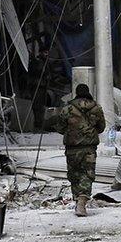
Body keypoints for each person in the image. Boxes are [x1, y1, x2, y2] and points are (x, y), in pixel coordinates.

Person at [47, 84, 106, 216]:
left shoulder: (67, 109)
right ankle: (82, 201)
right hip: (89, 148)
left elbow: (60, 127)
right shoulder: (96, 108)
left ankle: (78, 201)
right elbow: (101, 127)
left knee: (74, 174)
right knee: (87, 174)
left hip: (72, 148)